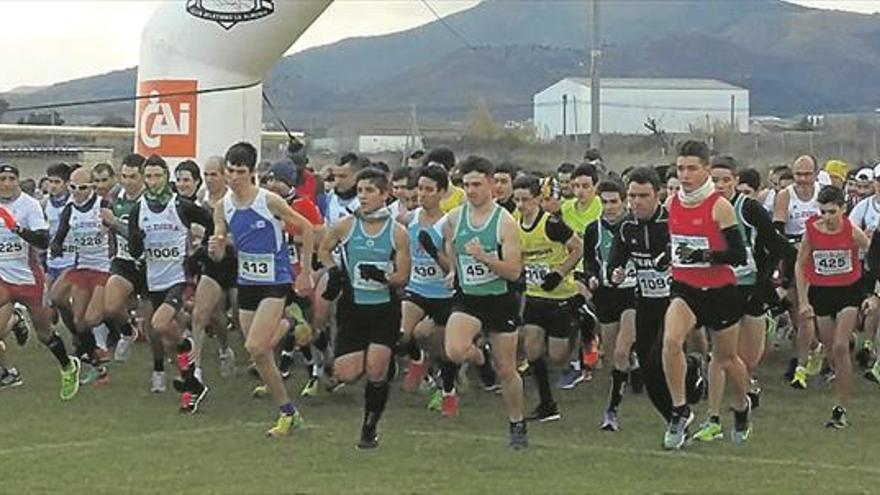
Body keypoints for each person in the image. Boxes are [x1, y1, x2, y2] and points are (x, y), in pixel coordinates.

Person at [209, 142, 315, 435]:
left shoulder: (268, 201)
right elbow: (219, 247)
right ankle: (288, 412)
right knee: (260, 353)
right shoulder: (222, 207)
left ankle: (288, 319)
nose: (233, 177)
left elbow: (306, 228)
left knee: (255, 345)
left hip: (275, 281)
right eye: (229, 171)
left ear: (252, 172)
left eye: (240, 172)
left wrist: (305, 272)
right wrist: (216, 246)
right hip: (247, 283)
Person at [692, 156, 793, 442]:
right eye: (716, 180)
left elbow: (774, 242)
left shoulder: (748, 208)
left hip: (752, 289)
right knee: (719, 356)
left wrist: (782, 275)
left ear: (736, 181)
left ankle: (742, 401)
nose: (721, 185)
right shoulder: (704, 208)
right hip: (722, 288)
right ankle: (712, 417)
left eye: (726, 180)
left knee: (746, 360)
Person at [662, 141, 751, 450]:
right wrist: (668, 257)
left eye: (691, 169)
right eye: (680, 169)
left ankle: (742, 405)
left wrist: (704, 253)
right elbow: (673, 243)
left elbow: (738, 254)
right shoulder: (672, 203)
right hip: (686, 287)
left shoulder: (719, 205)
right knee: (672, 341)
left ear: (706, 170)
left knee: (726, 359)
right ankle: (679, 410)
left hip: (720, 290)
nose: (685, 175)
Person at [318, 167, 409, 448]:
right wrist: (334, 271)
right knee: (346, 373)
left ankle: (369, 427)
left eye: (370, 191)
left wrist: (382, 276)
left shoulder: (398, 233)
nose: (363, 196)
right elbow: (323, 249)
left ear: (385, 194)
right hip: (353, 309)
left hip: (384, 309)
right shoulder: (345, 226)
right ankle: (382, 361)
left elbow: (403, 277)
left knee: (375, 371)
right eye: (360, 191)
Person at [443, 156, 527, 450]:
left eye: (477, 184)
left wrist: (485, 258)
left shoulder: (505, 222)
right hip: (468, 298)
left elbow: (514, 271)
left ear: (492, 184)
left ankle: (517, 422)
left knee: (507, 370)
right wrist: (454, 270)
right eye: (466, 185)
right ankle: (481, 359)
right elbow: (450, 243)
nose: (471, 190)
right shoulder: (455, 217)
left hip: (500, 299)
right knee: (453, 350)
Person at [128, 155, 213, 412]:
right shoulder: (138, 208)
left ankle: (187, 351)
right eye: (149, 176)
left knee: (159, 324)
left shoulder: (180, 205)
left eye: (158, 175)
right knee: (166, 340)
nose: (154, 181)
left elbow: (211, 223)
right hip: (154, 281)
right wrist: (135, 237)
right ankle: (190, 385)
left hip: (178, 277)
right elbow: (134, 251)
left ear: (167, 177)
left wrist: (199, 253)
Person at [0, 162, 81, 399]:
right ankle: (13, 329)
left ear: (17, 180)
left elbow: (43, 241)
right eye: (2, 179)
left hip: (28, 279)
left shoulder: (29, 205)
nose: (6, 184)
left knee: (45, 334)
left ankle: (68, 366)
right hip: (3, 277)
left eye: (11, 179)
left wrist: (18, 230)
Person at [797, 186, 871, 428]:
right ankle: (832, 358)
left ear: (843, 209)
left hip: (848, 291)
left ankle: (841, 408)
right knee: (832, 352)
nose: (827, 217)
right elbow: (801, 264)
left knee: (840, 347)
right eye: (823, 212)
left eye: (831, 212)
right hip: (821, 292)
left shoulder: (852, 230)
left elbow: (872, 254)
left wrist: (871, 290)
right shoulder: (811, 230)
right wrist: (804, 300)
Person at [514, 174, 583, 422]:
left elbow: (578, 247)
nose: (521, 205)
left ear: (537, 199)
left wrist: (559, 273)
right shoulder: (514, 223)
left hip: (560, 296)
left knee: (557, 355)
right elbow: (520, 254)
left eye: (525, 199)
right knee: (532, 348)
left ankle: (582, 328)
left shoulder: (551, 224)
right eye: (517, 199)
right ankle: (547, 403)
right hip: (535, 296)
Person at [50, 167, 114, 382]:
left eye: (83, 187)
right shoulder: (69, 209)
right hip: (83, 267)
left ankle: (118, 328)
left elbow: (114, 228)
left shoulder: (102, 204)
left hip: (103, 268)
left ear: (92, 187)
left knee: (92, 318)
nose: (77, 192)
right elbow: (60, 234)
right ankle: (96, 362)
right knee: (79, 321)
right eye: (73, 187)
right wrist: (56, 246)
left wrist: (109, 225)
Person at [584, 180, 639, 431]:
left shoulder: (636, 227)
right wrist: (592, 276)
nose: (609, 207)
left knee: (619, 352)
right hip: (607, 295)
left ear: (625, 201)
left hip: (633, 294)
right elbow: (589, 261)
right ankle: (633, 364)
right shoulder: (593, 229)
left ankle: (611, 411)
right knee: (611, 355)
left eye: (614, 201)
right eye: (604, 202)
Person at [773, 155, 821, 385]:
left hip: (819, 253)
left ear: (815, 174)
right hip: (793, 254)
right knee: (796, 309)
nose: (802, 179)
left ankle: (813, 352)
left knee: (814, 309)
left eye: (807, 174)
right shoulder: (785, 195)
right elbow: (778, 230)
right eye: (798, 174)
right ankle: (802, 355)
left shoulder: (822, 193)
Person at [101, 154, 147, 363]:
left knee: (157, 325)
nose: (127, 181)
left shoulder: (150, 201)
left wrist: (114, 223)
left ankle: (164, 365)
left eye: (133, 177)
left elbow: (141, 237)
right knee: (110, 307)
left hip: (148, 264)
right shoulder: (115, 197)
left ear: (143, 177)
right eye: (124, 176)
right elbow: (107, 225)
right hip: (123, 261)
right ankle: (128, 331)